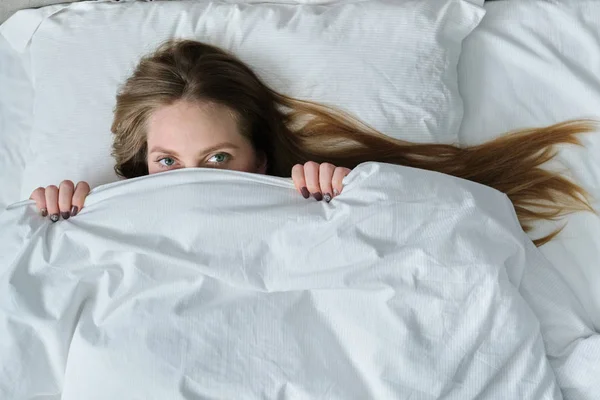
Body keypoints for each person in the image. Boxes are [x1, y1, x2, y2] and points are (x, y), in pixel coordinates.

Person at [29, 39, 598, 247]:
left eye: (219, 159)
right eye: (167, 161)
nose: (191, 178)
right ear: (142, 164)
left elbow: (467, 226)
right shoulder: (103, 221)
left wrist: (358, 202)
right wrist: (61, 223)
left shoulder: (316, 205)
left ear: (261, 157)